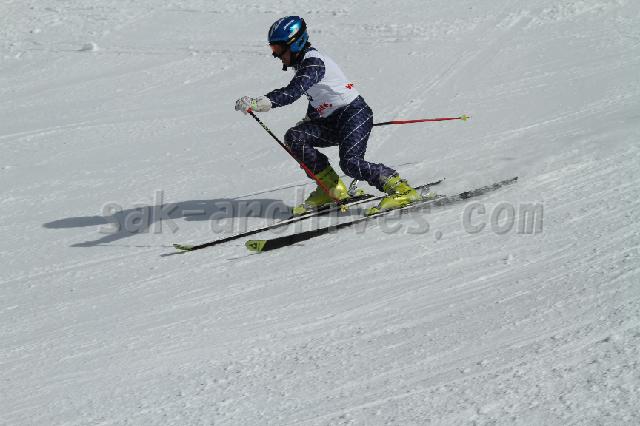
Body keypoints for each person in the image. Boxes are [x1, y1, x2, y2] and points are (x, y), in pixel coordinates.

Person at [235, 16, 422, 216]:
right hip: (333, 121)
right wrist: (310, 118)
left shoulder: (313, 63)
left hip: (354, 113)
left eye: (278, 48)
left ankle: (401, 189)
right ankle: (331, 189)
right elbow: (319, 96)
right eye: (273, 48)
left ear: (295, 43)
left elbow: (293, 91)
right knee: (295, 137)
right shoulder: (304, 64)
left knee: (350, 163)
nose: (276, 55)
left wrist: (260, 102)